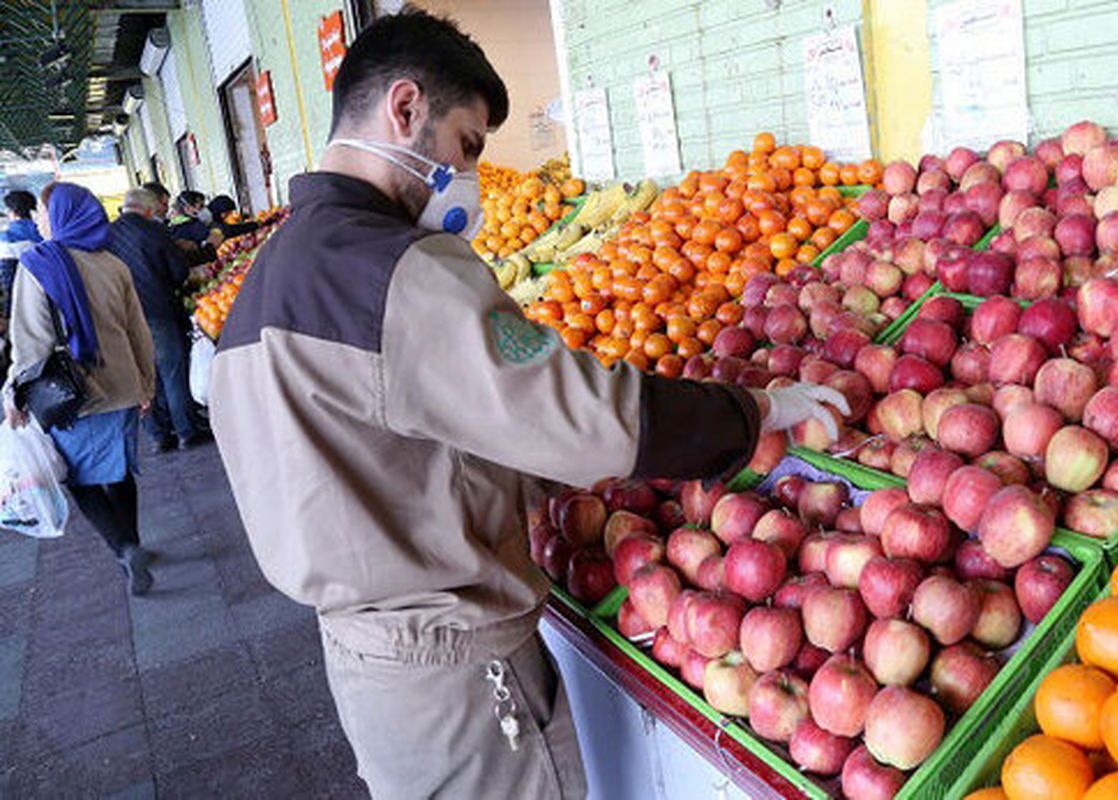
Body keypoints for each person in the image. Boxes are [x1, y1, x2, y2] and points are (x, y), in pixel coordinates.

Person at [209, 10, 845, 799]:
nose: (469, 175)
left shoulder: (265, 284)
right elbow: (589, 418)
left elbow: (388, 452)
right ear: (404, 109)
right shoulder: (393, 273)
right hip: (459, 670)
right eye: (466, 145)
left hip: (370, 664)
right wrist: (757, 413)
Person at [3, 183, 157, 596]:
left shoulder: (37, 265)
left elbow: (30, 342)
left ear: (63, 215)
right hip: (124, 387)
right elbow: (138, 331)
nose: (38, 220)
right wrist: (147, 383)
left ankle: (124, 547)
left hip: (74, 396)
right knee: (121, 471)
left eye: (44, 213)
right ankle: (134, 542)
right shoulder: (113, 264)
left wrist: (14, 395)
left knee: (80, 481)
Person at [108, 187, 208, 452]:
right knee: (172, 371)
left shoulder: (106, 234)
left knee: (142, 375)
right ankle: (186, 431)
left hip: (124, 318)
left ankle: (158, 435)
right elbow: (178, 271)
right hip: (157, 311)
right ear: (148, 209)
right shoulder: (154, 231)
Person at [2, 190, 43, 310]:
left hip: (19, 299)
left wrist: (7, 311)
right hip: (43, 294)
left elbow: (7, 276)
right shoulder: (43, 232)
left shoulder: (7, 237)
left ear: (12, 211)